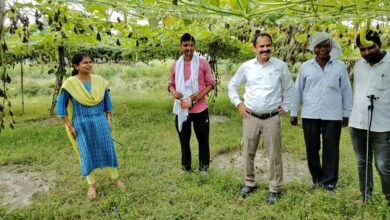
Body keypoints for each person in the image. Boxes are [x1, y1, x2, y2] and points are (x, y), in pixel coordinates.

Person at [228, 33, 295, 204]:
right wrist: (238, 104)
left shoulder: (280, 66)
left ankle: (275, 188)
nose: (265, 49)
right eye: (261, 46)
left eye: (268, 45)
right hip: (250, 117)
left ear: (271, 46)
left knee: (274, 154)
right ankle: (249, 183)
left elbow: (289, 88)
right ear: (254, 48)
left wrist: (286, 107)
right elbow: (232, 85)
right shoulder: (246, 66)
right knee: (248, 152)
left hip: (272, 117)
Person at [56, 52, 125, 199]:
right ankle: (91, 186)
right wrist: (70, 125)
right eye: (85, 63)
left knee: (108, 149)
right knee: (86, 153)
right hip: (81, 123)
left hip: (100, 121)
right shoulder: (70, 84)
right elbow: (60, 106)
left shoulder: (100, 81)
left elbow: (107, 103)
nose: (89, 65)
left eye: (90, 62)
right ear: (76, 66)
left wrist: (108, 120)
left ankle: (116, 178)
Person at [290, 32, 353, 192]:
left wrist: (346, 113)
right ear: (313, 48)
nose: (323, 49)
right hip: (310, 114)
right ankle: (316, 178)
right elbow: (297, 90)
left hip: (333, 114)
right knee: (312, 148)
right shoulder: (305, 67)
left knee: (331, 148)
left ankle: (329, 182)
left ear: (331, 47)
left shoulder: (339, 66)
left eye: (326, 45)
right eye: (319, 46)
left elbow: (346, 90)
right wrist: (293, 112)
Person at [349, 30, 390, 204]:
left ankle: (389, 199)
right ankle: (365, 196)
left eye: (370, 48)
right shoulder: (359, 66)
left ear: (379, 44)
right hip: (358, 123)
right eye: (362, 49)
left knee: (383, 166)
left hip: (383, 125)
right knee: (362, 162)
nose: (366, 53)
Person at [168, 33, 215, 172]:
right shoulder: (176, 65)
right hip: (182, 109)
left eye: (191, 45)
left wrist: (200, 95)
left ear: (195, 47)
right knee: (184, 140)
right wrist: (173, 92)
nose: (188, 48)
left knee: (203, 140)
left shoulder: (202, 63)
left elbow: (211, 83)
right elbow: (171, 84)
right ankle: (186, 167)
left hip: (200, 109)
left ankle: (204, 167)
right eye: (185, 45)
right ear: (180, 47)